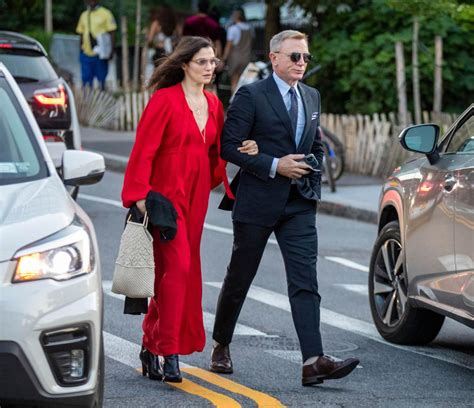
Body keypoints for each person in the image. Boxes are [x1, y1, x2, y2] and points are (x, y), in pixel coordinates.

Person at [210, 30, 360, 386]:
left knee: (306, 281)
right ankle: (221, 343)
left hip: (298, 203)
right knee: (239, 277)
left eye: (305, 57)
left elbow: (317, 144)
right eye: (295, 56)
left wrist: (311, 167)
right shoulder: (251, 95)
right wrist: (276, 165)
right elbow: (228, 147)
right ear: (274, 58)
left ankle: (313, 360)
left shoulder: (311, 96)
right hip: (258, 200)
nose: (301, 63)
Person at [121, 36, 258, 383]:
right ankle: (169, 352)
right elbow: (143, 151)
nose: (210, 68)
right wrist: (139, 197)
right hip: (163, 199)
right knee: (179, 269)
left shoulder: (213, 104)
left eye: (213, 62)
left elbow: (218, 152)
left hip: (195, 200)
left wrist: (248, 148)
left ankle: (151, 344)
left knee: (175, 274)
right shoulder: (164, 100)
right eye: (203, 62)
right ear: (184, 64)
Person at [76, 0, 116, 90]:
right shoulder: (84, 15)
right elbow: (81, 33)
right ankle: (87, 102)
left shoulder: (106, 14)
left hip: (100, 55)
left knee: (101, 80)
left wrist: (111, 51)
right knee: (86, 81)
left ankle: (101, 100)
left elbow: (112, 33)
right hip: (86, 53)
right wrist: (81, 50)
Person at [222, 8, 253, 94]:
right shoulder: (250, 28)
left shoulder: (233, 29)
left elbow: (228, 46)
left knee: (234, 81)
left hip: (235, 58)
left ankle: (234, 102)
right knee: (243, 82)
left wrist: (224, 58)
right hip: (247, 57)